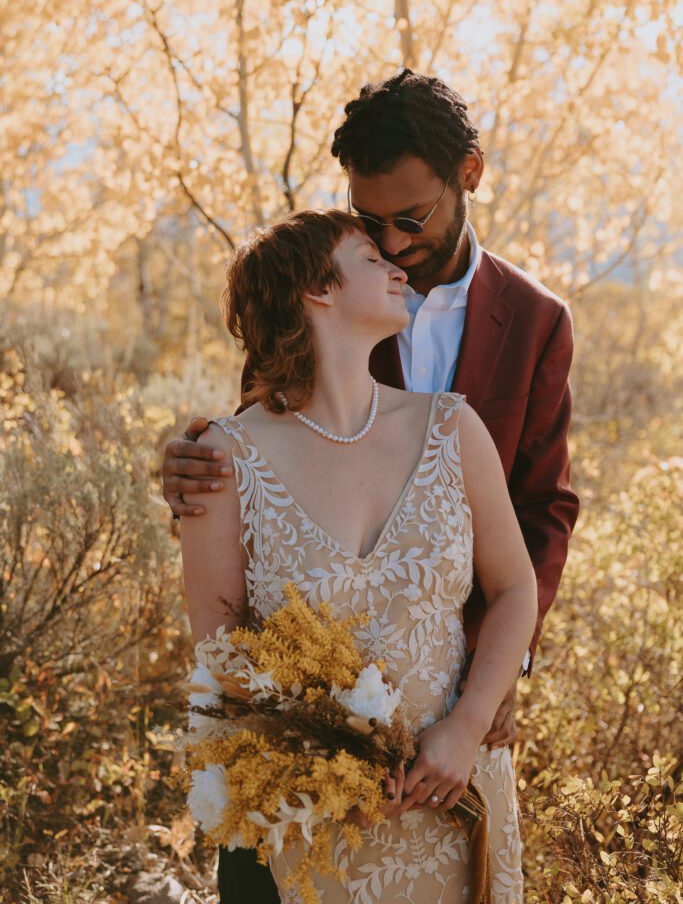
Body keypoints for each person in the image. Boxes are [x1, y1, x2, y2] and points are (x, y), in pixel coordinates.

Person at [163, 70, 580, 901]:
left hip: (451, 718)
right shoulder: (327, 280)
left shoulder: (534, 322)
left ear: (468, 175)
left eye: (409, 219)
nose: (389, 244)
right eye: (368, 221)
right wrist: (183, 458)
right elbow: (265, 427)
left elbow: (543, 508)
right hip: (305, 762)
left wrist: (490, 683)